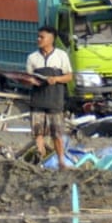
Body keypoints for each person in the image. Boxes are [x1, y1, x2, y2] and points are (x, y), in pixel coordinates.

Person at [26, 26, 73, 168]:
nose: (38, 39)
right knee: (38, 133)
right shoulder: (32, 57)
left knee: (57, 134)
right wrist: (30, 81)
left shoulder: (61, 56)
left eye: (42, 37)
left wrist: (56, 79)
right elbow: (28, 77)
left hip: (55, 101)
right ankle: (40, 160)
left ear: (51, 39)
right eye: (38, 36)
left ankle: (61, 161)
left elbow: (69, 76)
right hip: (37, 101)